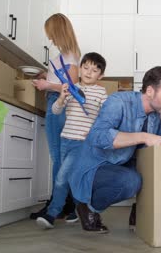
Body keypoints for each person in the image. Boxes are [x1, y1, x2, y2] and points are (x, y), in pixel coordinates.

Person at [69, 66, 161, 233]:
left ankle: (141, 213)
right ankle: (88, 207)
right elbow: (97, 136)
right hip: (96, 166)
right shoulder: (118, 102)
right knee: (131, 181)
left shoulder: (154, 116)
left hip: (122, 162)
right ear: (150, 91)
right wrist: (144, 136)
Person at [36, 52, 108, 229]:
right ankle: (80, 211)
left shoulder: (101, 92)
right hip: (65, 140)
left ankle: (52, 214)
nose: (89, 72)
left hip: (82, 143)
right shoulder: (70, 87)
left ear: (101, 75)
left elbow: (106, 117)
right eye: (85, 67)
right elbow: (56, 110)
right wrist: (61, 97)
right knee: (72, 178)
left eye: (94, 70)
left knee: (61, 178)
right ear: (80, 68)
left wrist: (94, 135)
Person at [30, 13, 81, 221]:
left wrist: (46, 85)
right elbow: (65, 79)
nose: (50, 38)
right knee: (62, 157)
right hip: (57, 102)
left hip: (57, 103)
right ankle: (66, 204)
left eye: (51, 33)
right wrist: (47, 75)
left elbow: (72, 86)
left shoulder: (69, 55)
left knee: (58, 157)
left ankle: (57, 204)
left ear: (58, 31)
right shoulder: (67, 55)